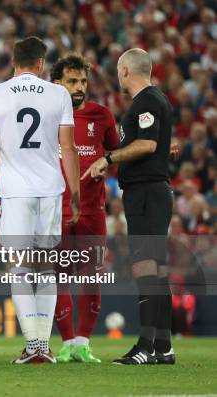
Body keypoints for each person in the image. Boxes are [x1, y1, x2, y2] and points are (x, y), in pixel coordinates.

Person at [0, 36, 80, 364]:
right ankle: (44, 346)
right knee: (46, 266)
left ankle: (33, 345)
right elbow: (69, 149)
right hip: (51, 188)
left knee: (19, 268)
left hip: (15, 191)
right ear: (40, 64)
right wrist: (74, 193)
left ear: (14, 62)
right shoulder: (59, 93)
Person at [84, 48, 175, 365]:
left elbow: (147, 144)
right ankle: (163, 346)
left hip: (146, 193)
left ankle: (146, 346)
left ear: (125, 70)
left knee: (146, 269)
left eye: (118, 70)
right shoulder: (158, 99)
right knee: (158, 271)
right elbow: (156, 143)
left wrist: (108, 158)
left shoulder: (146, 101)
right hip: (153, 192)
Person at [50, 53, 120, 363]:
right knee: (58, 276)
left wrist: (108, 163)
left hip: (93, 211)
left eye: (82, 81)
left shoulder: (102, 116)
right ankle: (66, 343)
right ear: (57, 84)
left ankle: (83, 343)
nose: (79, 87)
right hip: (57, 210)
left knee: (92, 277)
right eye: (71, 81)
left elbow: (117, 152)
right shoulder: (47, 116)